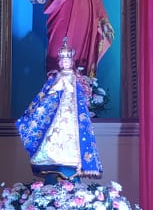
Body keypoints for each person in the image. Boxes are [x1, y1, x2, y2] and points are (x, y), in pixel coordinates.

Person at [15, 41, 103, 179]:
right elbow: (48, 92)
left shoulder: (76, 78)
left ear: (71, 63)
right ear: (61, 63)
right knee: (54, 132)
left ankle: (72, 159)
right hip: (57, 111)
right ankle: (51, 157)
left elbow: (80, 94)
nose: (66, 64)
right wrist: (56, 88)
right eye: (64, 61)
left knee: (72, 134)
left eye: (68, 61)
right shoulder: (55, 77)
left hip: (73, 112)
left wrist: (68, 85)